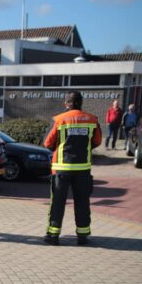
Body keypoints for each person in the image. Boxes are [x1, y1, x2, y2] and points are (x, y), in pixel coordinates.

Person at [43, 91, 102, 246]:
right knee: (82, 202)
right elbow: (97, 141)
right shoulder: (92, 119)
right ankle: (82, 236)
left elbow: (48, 143)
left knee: (58, 202)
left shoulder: (59, 119)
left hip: (61, 168)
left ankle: (53, 236)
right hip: (83, 169)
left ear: (66, 103)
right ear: (81, 103)